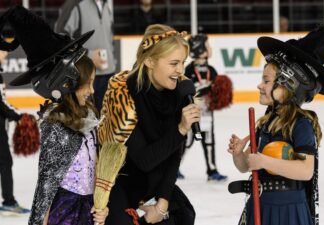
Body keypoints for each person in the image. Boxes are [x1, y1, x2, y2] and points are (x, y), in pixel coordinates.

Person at [227, 22, 324, 225]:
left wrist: (264, 161)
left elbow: (305, 171)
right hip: (261, 206)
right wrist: (239, 155)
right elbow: (247, 165)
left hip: (290, 211)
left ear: (289, 85)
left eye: (266, 80)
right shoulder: (266, 122)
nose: (259, 85)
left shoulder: (301, 124)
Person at [0, 5, 109, 224]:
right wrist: (41, 219)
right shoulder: (57, 125)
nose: (93, 91)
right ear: (67, 82)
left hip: (89, 208)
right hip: (65, 211)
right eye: (88, 84)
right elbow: (48, 180)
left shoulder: (89, 115)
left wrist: (102, 205)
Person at [98, 24, 199, 225]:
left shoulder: (179, 94)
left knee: (182, 216)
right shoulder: (125, 96)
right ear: (150, 61)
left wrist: (162, 203)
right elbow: (144, 160)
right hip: (122, 182)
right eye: (173, 63)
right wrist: (180, 129)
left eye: (182, 63)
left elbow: (173, 157)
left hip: (157, 183)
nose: (180, 70)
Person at [0, 35, 29, 214]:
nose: (6, 53)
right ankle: (9, 203)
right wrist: (17, 116)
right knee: (5, 163)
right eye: (2, 49)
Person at [179, 33, 228, 182]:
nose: (210, 49)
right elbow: (185, 90)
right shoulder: (188, 70)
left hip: (207, 114)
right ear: (200, 50)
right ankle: (174, 167)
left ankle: (212, 171)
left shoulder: (211, 71)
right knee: (186, 142)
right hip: (191, 113)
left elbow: (215, 91)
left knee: (209, 141)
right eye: (207, 46)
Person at [56, 0, 116, 112]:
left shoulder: (106, 5)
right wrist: (88, 54)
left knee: (104, 123)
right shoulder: (74, 4)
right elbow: (60, 38)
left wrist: (113, 62)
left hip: (108, 76)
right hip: (84, 77)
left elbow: (110, 39)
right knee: (85, 123)